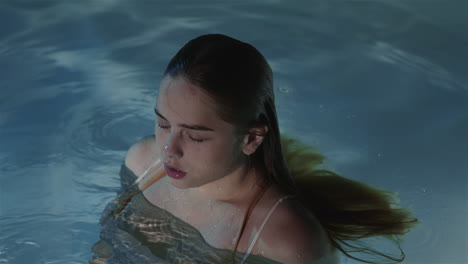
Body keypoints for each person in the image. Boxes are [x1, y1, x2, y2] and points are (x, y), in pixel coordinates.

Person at [90, 34, 419, 264]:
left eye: (196, 136)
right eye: (163, 123)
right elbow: (107, 249)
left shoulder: (285, 241)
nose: (168, 149)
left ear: (251, 138)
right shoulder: (142, 164)